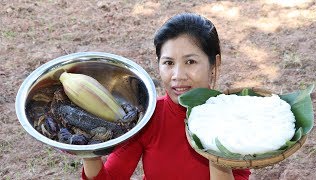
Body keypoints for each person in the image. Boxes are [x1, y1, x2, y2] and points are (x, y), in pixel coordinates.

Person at [82, 13, 251, 180]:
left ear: (215, 64)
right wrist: (89, 151)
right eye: (169, 63)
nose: (178, 75)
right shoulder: (148, 119)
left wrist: (216, 147)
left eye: (190, 62)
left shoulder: (233, 120)